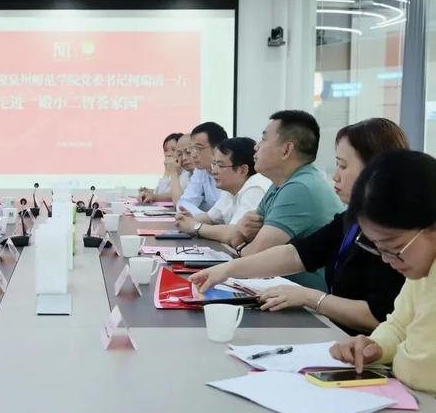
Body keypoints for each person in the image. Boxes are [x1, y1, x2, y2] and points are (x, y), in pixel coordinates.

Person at [191, 119, 408, 335]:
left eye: (343, 166)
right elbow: (298, 254)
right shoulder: (353, 217)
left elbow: (380, 315)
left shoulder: (393, 231)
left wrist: (309, 297)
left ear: (374, 169)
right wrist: (226, 270)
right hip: (339, 333)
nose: (335, 176)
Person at [329, 150, 436, 394]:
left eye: (395, 248)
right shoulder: (422, 266)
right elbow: (399, 324)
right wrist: (375, 347)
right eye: (378, 248)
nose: (387, 259)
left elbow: (421, 371)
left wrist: (398, 359)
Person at [228, 110, 343, 290]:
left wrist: (239, 243)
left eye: (264, 139)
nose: (256, 147)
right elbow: (247, 234)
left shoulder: (300, 188)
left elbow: (254, 255)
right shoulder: (281, 183)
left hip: (307, 302)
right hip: (280, 291)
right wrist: (241, 237)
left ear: (287, 150)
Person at [175, 137, 271, 244]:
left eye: (220, 165)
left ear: (243, 170)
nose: (214, 171)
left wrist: (195, 226)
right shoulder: (230, 189)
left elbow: (236, 233)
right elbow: (210, 218)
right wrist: (190, 219)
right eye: (214, 164)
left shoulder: (255, 189)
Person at [177, 122, 228, 214]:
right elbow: (183, 203)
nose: (193, 155)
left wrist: (202, 217)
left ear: (217, 148)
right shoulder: (201, 170)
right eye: (192, 149)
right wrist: (203, 217)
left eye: (199, 148)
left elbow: (225, 213)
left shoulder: (231, 170)